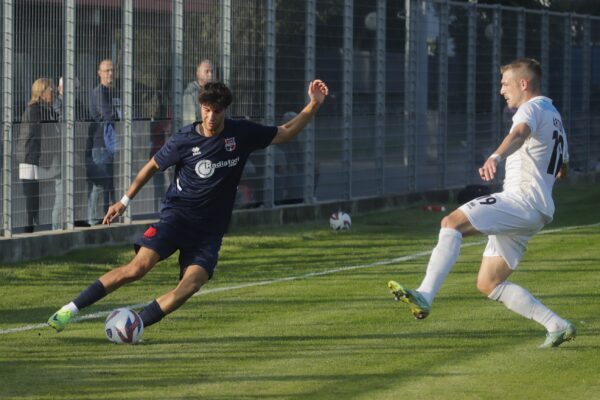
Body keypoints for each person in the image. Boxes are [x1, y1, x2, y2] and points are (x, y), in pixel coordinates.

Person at [47, 79, 329, 333]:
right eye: (206, 109)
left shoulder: (240, 133)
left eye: (216, 111)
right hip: (176, 219)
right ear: (200, 108)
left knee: (190, 285)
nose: (210, 116)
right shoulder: (184, 139)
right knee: (137, 269)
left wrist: (313, 104)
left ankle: (135, 326)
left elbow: (286, 132)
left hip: (209, 233)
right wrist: (124, 201)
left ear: (224, 110)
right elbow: (151, 167)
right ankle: (67, 311)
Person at [387, 58, 573, 348]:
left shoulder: (531, 108)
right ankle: (556, 324)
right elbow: (563, 167)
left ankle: (424, 294)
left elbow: (519, 134)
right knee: (489, 282)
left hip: (520, 200)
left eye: (505, 83)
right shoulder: (554, 115)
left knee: (451, 223)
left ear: (523, 84)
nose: (502, 90)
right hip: (538, 209)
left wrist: (495, 157)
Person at [17, 78, 57, 233]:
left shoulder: (44, 110)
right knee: (31, 194)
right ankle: (30, 227)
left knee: (34, 193)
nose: (53, 93)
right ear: (42, 93)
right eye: (50, 90)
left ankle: (34, 223)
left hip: (36, 157)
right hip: (30, 156)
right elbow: (44, 134)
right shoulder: (35, 110)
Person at [86, 59, 120, 225]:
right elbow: (108, 114)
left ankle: (108, 216)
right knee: (100, 184)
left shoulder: (113, 92)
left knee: (110, 183)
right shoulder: (99, 92)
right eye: (106, 71)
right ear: (99, 73)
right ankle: (92, 219)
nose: (110, 74)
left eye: (112, 70)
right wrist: (118, 114)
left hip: (111, 145)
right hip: (100, 145)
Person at [182, 59, 213, 125]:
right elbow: (189, 123)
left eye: (212, 71)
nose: (210, 75)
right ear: (198, 73)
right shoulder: (190, 92)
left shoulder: (214, 91)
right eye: (206, 71)